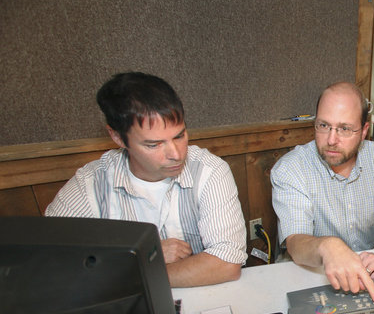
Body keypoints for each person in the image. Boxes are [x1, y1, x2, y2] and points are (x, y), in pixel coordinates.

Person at [45, 72, 247, 287]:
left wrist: (128, 272)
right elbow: (53, 263)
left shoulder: (209, 170)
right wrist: (148, 256)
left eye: (179, 136)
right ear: (117, 137)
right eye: (153, 145)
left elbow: (227, 262)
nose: (176, 154)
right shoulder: (89, 185)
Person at [271, 82, 374, 303]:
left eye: (344, 128)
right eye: (324, 125)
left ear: (363, 131)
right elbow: (295, 244)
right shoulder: (291, 168)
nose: (331, 140)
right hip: (310, 274)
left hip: (370, 272)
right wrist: (328, 247)